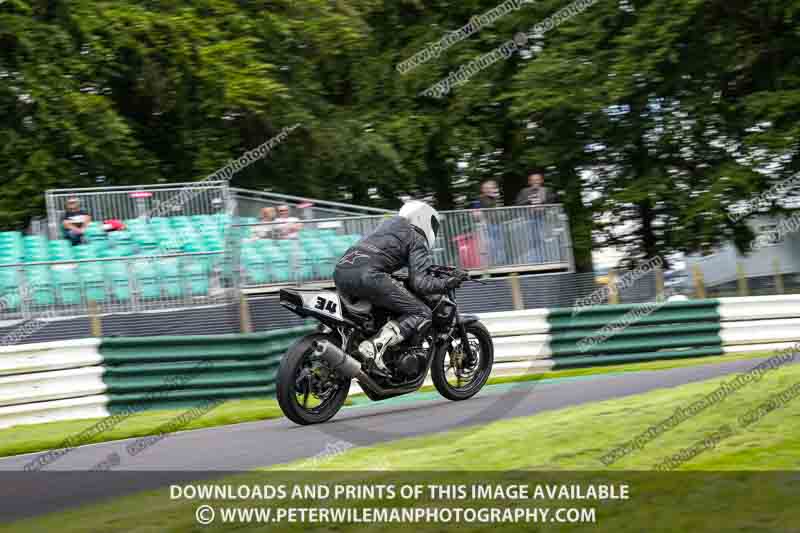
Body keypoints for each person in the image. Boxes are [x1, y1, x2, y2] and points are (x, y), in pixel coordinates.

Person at [333, 201, 468, 376]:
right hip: (368, 276)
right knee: (421, 312)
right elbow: (419, 283)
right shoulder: (416, 236)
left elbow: (382, 256)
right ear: (423, 218)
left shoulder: (387, 225)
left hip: (341, 272)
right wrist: (447, 283)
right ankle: (374, 347)